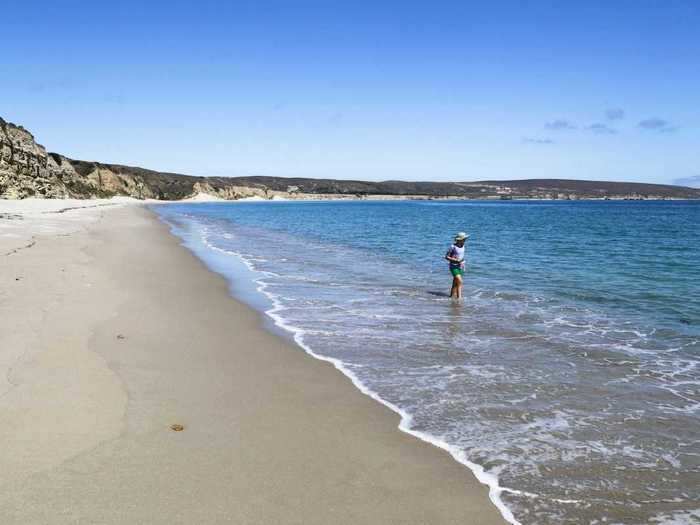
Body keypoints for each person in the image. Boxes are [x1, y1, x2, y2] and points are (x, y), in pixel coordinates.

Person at [445, 232, 469, 298]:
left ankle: (451, 297)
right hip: (453, 266)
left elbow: (461, 255)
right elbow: (446, 257)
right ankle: (459, 298)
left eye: (465, 239)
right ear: (459, 240)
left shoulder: (463, 246)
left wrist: (462, 261)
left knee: (455, 283)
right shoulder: (453, 247)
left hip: (460, 266)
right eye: (464, 239)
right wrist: (456, 260)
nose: (465, 240)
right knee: (460, 281)